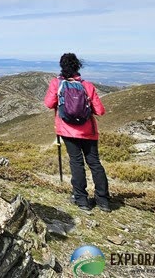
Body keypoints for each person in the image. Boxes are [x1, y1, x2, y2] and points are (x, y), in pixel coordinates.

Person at [43, 52, 111, 212]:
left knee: (76, 162)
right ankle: (103, 201)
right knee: (94, 163)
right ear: (78, 66)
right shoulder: (87, 85)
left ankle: (81, 200)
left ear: (62, 66)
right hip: (89, 132)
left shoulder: (56, 83)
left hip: (67, 131)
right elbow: (100, 111)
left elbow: (48, 103)